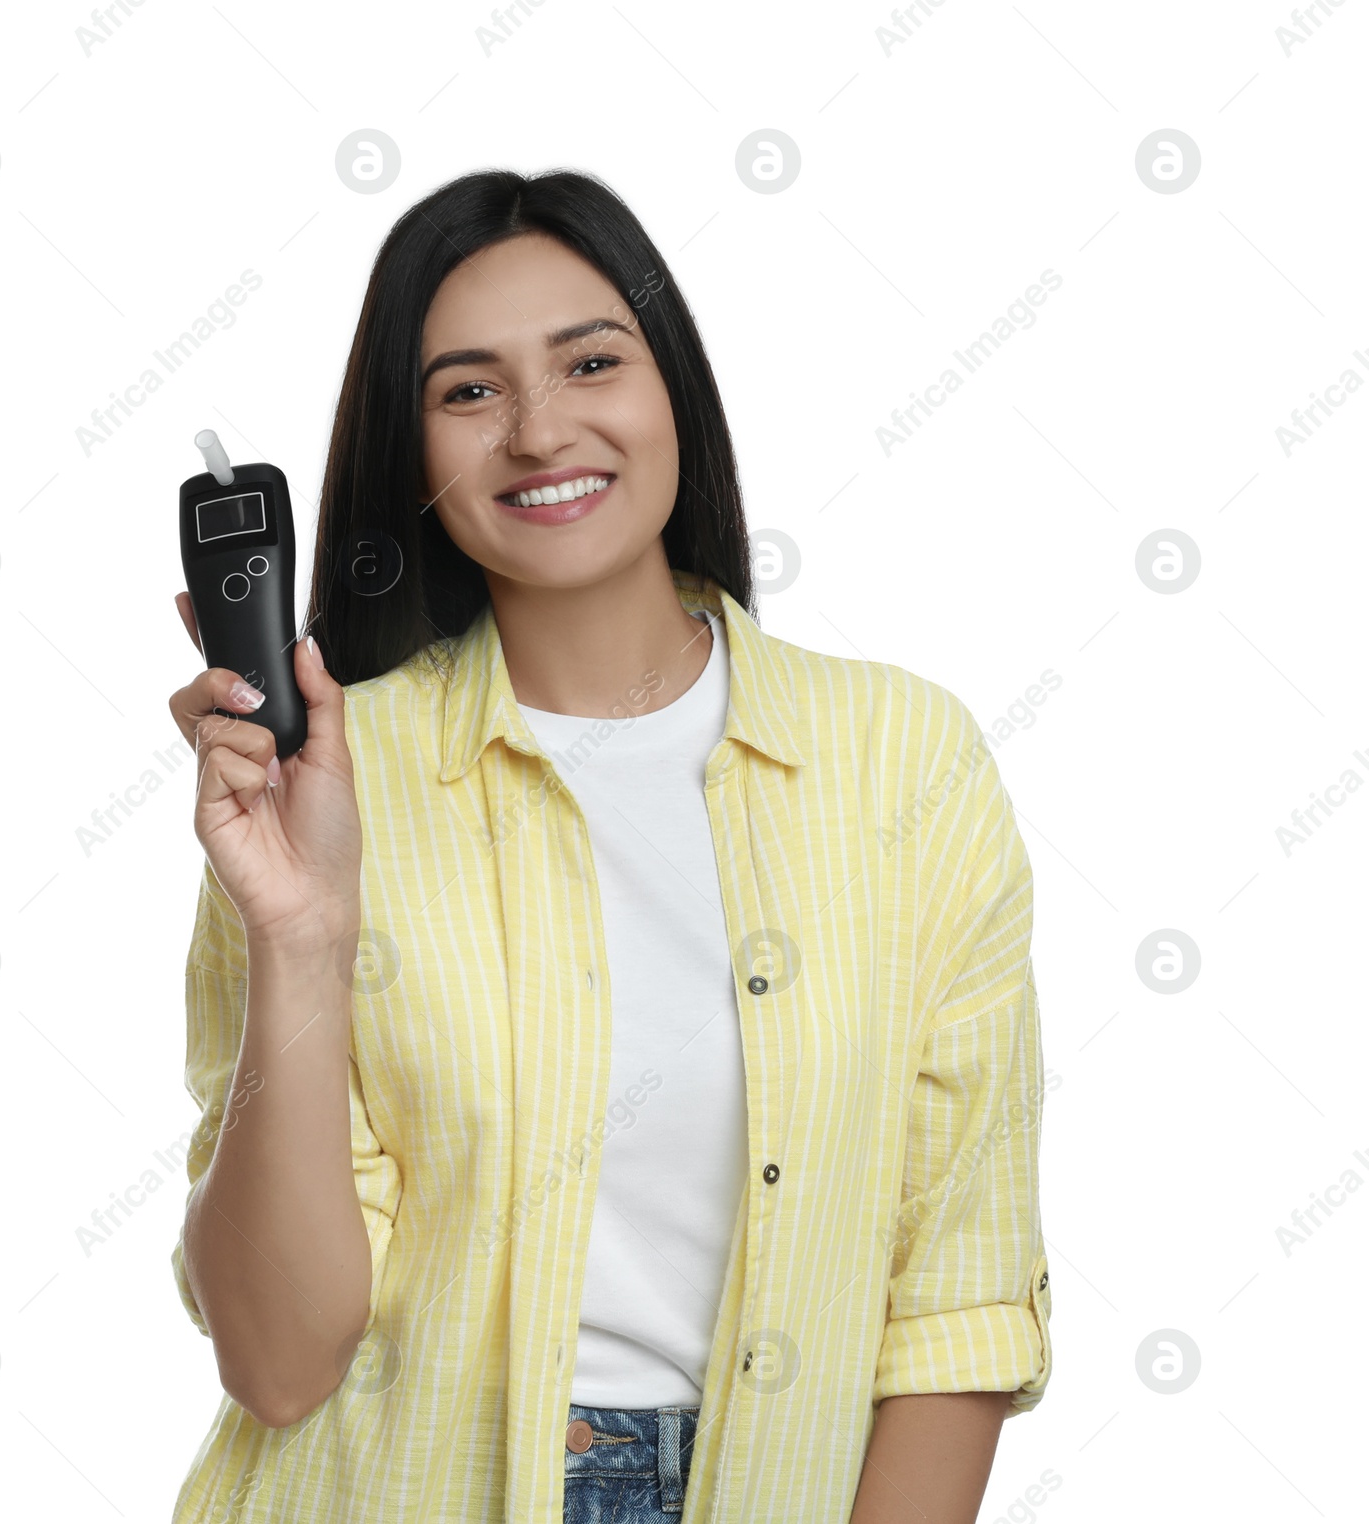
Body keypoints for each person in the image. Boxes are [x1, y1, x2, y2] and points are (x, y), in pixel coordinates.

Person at [164, 168, 1053, 1524]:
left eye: (591, 362)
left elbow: (954, 1297)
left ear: (672, 391)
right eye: (468, 391)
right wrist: (301, 933)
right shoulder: (318, 790)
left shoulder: (902, 761)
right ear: (412, 455)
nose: (537, 430)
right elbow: (281, 1367)